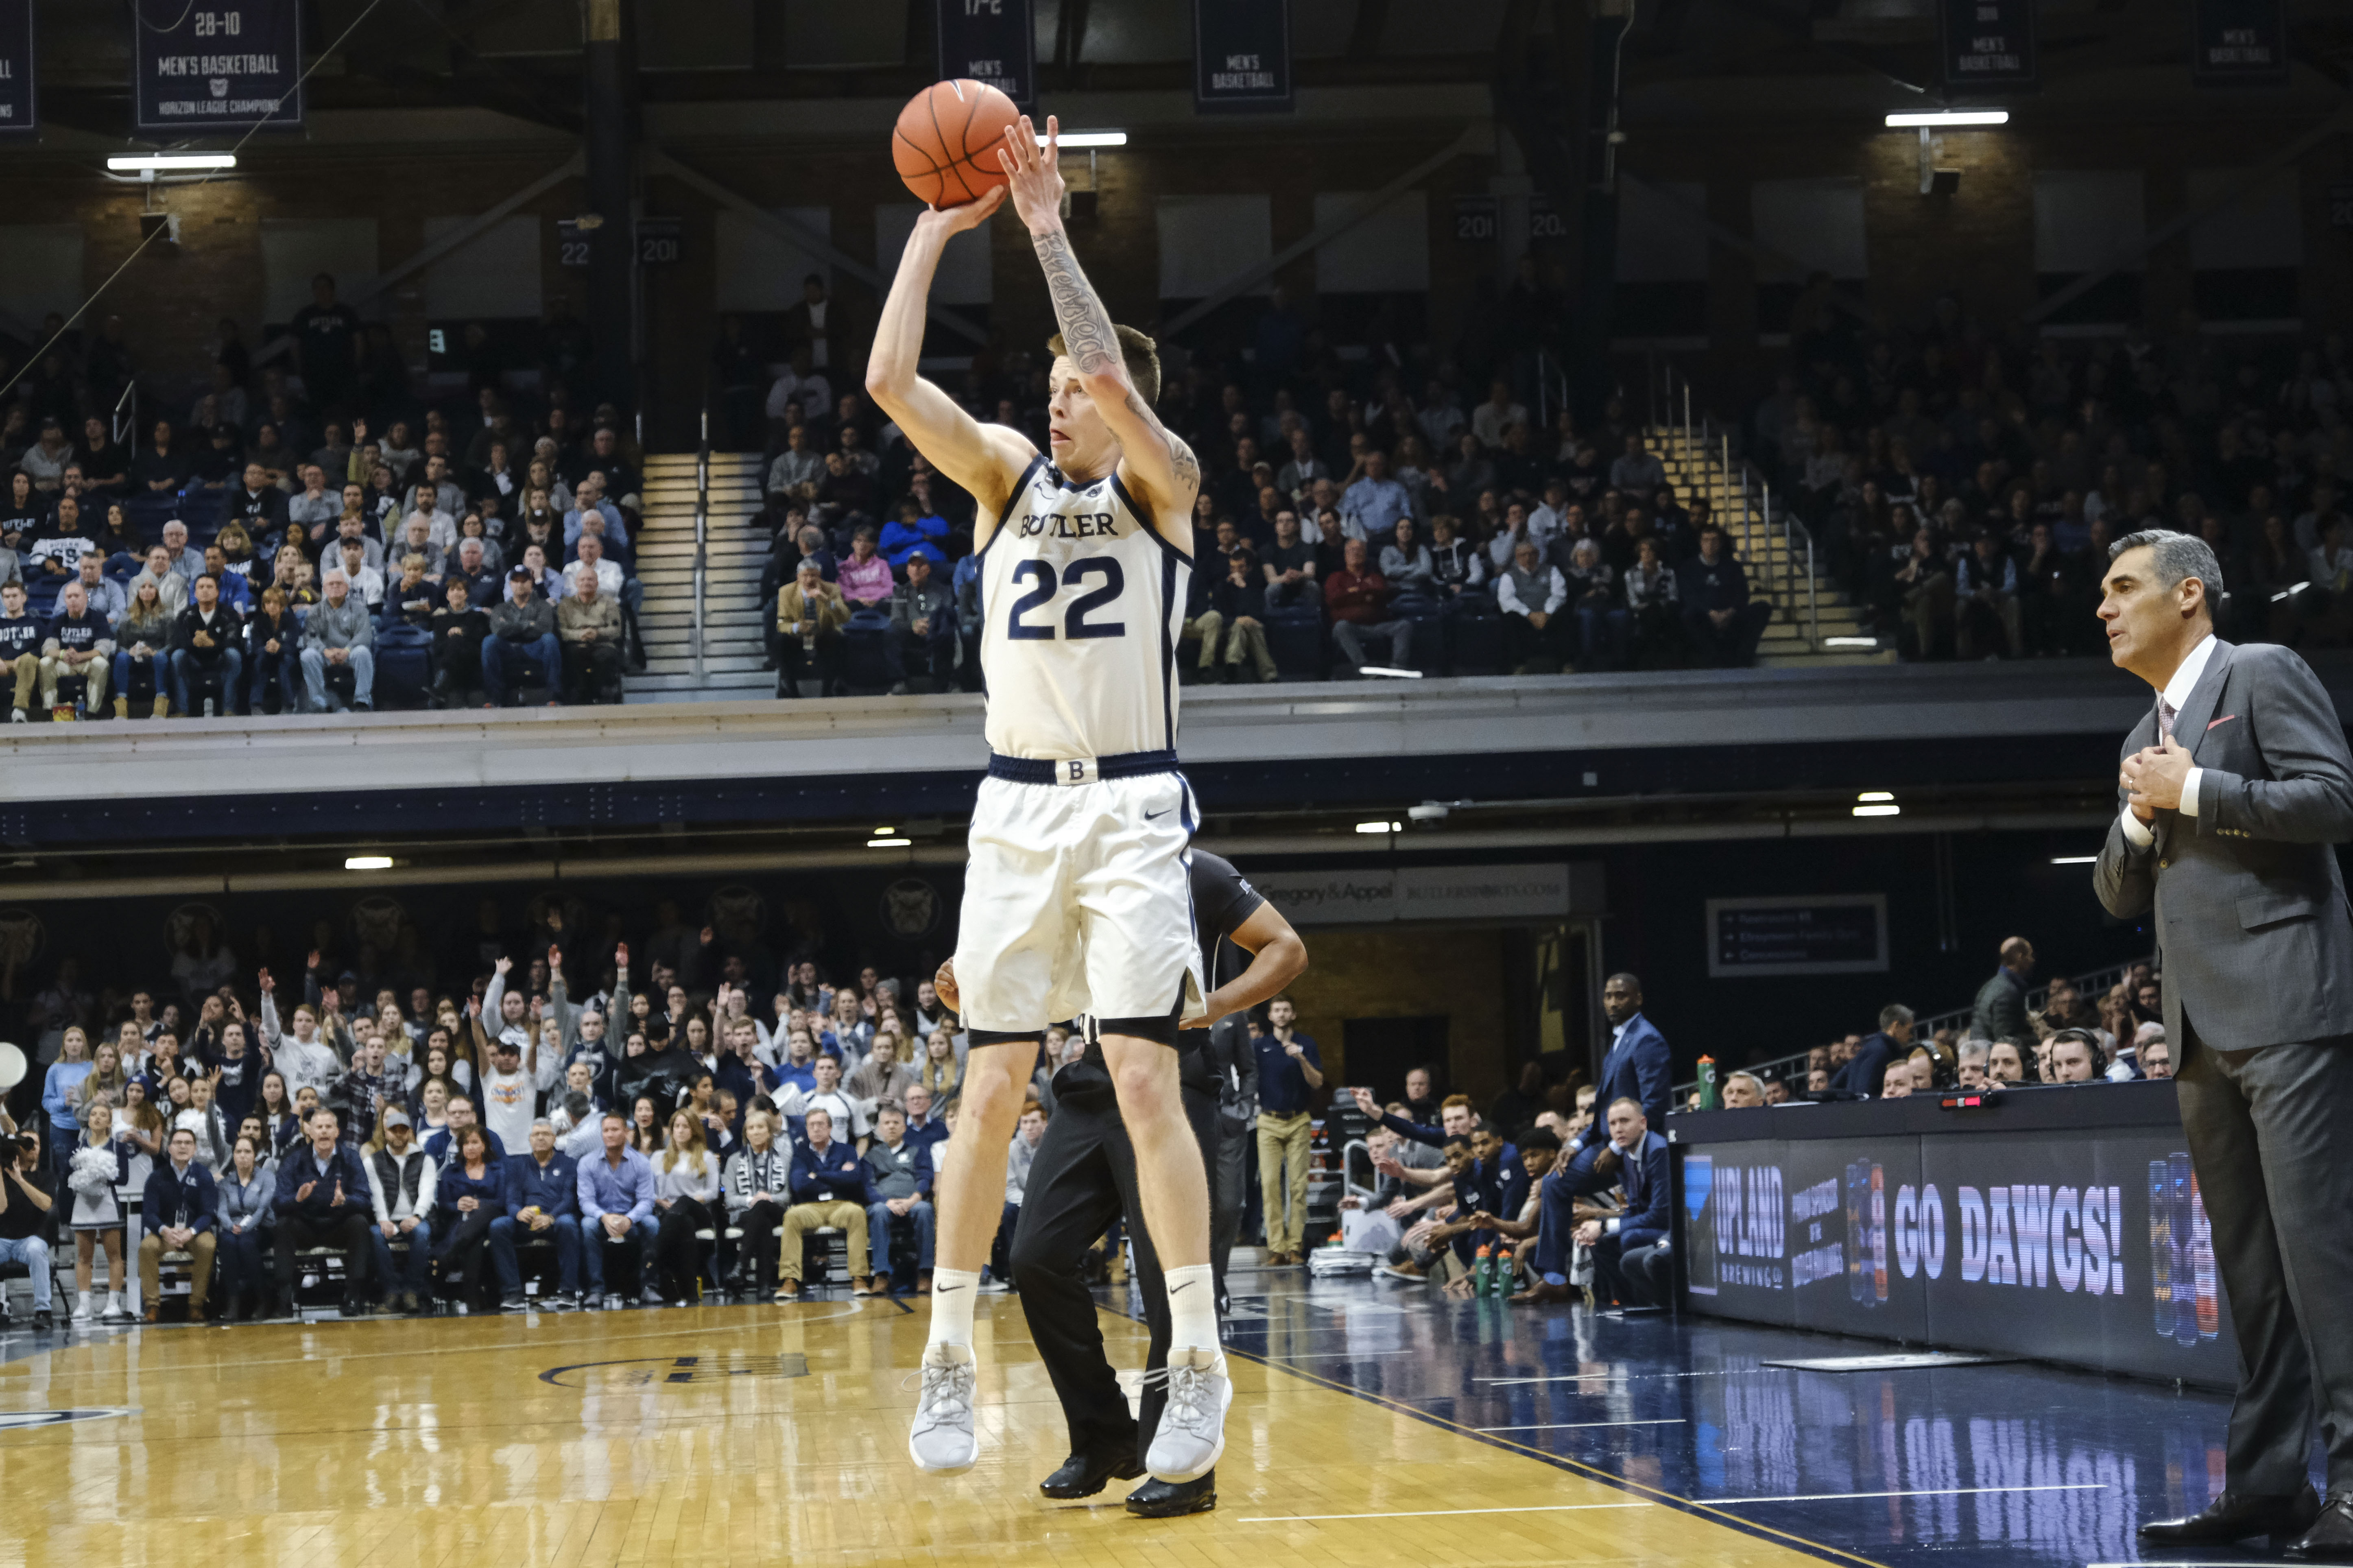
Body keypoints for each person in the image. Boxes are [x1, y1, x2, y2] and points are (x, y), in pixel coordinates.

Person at [866, 112, 1223, 1483]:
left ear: (1115, 397)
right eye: (1055, 386)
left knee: (1141, 1071)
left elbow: (1103, 370)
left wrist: (1045, 226)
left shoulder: (1162, 486)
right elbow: (891, 376)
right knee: (989, 1085)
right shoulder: (1006, 476)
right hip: (1014, 808)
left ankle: (1192, 1360)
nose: (1054, 394)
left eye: (1075, 387)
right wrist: (933, 228)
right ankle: (948, 1353)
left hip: (1132, 803)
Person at [2091, 530, 2353, 1556]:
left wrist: (2196, 791)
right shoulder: (2141, 729)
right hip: (2201, 1033)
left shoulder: (2259, 671)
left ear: (2187, 593)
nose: (2104, 609)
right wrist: (2147, 819)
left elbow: (2334, 798)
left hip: (2292, 1005)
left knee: (2322, 1258)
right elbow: (2114, 889)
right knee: (2251, 1270)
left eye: (2121, 588)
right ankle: (2269, 1483)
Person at [270, 1106, 374, 1319]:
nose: (324, 1132)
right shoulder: (294, 1160)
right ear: (310, 1131)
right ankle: (285, 1299)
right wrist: (297, 1200)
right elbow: (279, 1203)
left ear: (337, 1132)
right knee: (283, 1225)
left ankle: (354, 1297)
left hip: (338, 1225)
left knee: (360, 1223)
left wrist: (346, 1200)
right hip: (306, 1225)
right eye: (319, 1127)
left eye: (329, 1127)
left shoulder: (351, 1158)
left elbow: (365, 1200)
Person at [1253, 998, 1323, 1266]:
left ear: (1293, 1014)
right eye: (1277, 1010)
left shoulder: (1307, 1043)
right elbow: (1249, 1077)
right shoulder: (1260, 1046)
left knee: (1298, 1186)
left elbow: (1317, 1083)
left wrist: (1301, 1058)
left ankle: (1295, 1246)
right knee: (1270, 1184)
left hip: (1298, 1120)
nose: (1281, 1015)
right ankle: (1276, 1248)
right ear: (1270, 1016)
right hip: (1269, 1121)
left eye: (1286, 1010)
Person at [777, 1105, 873, 1299]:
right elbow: (799, 1184)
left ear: (830, 1128)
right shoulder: (801, 1154)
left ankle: (859, 1277)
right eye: (811, 1125)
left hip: (840, 1204)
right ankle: (790, 1280)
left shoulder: (846, 1150)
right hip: (810, 1207)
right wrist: (837, 1175)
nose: (816, 1129)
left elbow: (854, 1178)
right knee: (792, 1216)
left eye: (821, 1124)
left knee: (857, 1213)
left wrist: (817, 1175)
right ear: (807, 1129)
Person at [576, 1111, 657, 1310]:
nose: (610, 1135)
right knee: (587, 1225)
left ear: (626, 1132)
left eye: (615, 1130)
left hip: (632, 1219)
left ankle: (649, 1286)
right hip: (602, 1219)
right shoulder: (587, 1163)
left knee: (652, 1223)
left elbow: (647, 1201)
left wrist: (629, 1219)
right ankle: (596, 1289)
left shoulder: (641, 1163)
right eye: (606, 1131)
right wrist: (604, 1217)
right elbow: (585, 1201)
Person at [138, 1125, 218, 1322]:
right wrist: (165, 1231)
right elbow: (149, 1214)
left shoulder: (204, 1175)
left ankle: (196, 1305)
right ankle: (153, 1306)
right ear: (169, 1148)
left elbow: (209, 1213)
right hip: (165, 1234)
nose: (183, 1147)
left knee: (208, 1245)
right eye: (178, 1143)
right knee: (147, 1247)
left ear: (195, 1149)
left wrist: (191, 1232)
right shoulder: (156, 1177)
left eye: (188, 1143)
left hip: (195, 1233)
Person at [366, 1107, 437, 1315]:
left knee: (423, 1233)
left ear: (409, 1132)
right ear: (385, 1132)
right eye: (393, 1130)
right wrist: (383, 1220)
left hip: (416, 1217)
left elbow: (427, 1192)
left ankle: (411, 1291)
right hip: (387, 1219)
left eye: (403, 1130)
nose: (398, 1134)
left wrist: (416, 1217)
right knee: (375, 1235)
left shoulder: (425, 1159)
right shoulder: (373, 1161)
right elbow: (376, 1193)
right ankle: (391, 1291)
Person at [861, 1103, 934, 1296]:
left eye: (896, 1122)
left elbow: (925, 1178)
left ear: (904, 1127)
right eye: (886, 1123)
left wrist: (913, 1200)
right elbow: (868, 1186)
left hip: (913, 1201)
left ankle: (926, 1272)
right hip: (884, 1204)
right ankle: (882, 1275)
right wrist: (887, 1202)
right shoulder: (871, 1156)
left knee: (925, 1210)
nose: (892, 1126)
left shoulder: (918, 1151)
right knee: (878, 1212)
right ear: (879, 1129)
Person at [0, 1127, 57, 1331]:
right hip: (4, 1239)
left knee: (35, 1250)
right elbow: (2, 1208)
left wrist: (20, 1180)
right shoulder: (4, 1175)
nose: (32, 1149)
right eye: (27, 1143)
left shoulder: (46, 1177)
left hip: (32, 1237)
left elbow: (46, 1205)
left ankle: (43, 1311)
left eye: (36, 1144)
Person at [1834, 1005, 1916, 1097]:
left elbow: (1835, 1084)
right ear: (1896, 1026)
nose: (1911, 1036)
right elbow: (1865, 1093)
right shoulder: (1882, 1051)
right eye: (1910, 1030)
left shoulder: (1870, 1048)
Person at [1970, 937, 2035, 1045]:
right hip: (1991, 1054)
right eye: (2030, 955)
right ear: (2020, 956)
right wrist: (2038, 1039)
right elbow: (2006, 1038)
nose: (2033, 960)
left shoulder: (1990, 985)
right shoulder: (2007, 991)